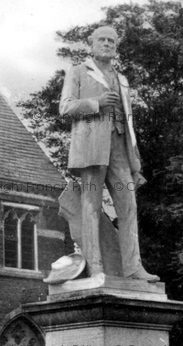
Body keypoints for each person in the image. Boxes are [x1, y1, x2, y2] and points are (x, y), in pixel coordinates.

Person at [59, 25, 160, 282]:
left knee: (128, 205)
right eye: (102, 40)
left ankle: (133, 267)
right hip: (91, 149)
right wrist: (96, 103)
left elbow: (128, 122)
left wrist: (134, 160)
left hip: (119, 151)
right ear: (91, 45)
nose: (107, 44)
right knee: (91, 206)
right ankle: (95, 267)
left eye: (112, 41)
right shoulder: (79, 71)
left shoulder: (121, 79)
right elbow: (66, 107)